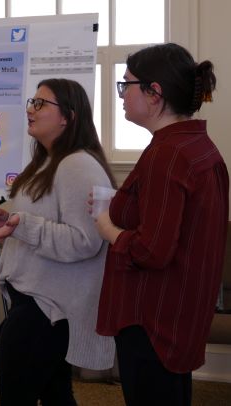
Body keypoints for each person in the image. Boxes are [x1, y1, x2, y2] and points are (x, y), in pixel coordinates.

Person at [95, 43, 228, 406]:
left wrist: (108, 227)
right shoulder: (198, 146)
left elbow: (151, 251)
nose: (121, 95)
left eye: (127, 85)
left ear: (154, 94)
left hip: (152, 320)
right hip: (178, 315)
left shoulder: (168, 155)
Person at [0, 78, 116, 405]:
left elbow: (86, 241)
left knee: (17, 395)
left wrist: (22, 225)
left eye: (41, 104)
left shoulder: (78, 165)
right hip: (37, 302)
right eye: (32, 102)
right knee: (55, 394)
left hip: (47, 308)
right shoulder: (46, 162)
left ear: (67, 116)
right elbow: (37, 226)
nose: (30, 109)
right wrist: (8, 222)